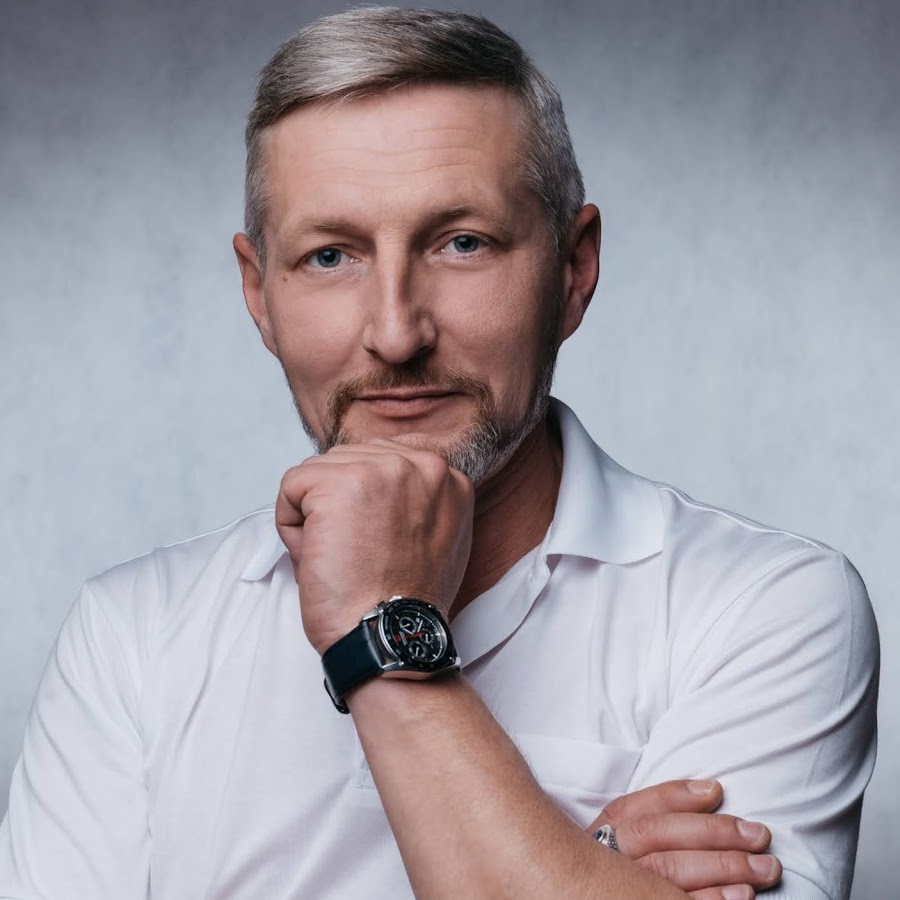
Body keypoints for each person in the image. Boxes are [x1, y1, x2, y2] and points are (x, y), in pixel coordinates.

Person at [0, 7, 878, 900]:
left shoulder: (766, 609)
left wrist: (378, 630)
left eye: (462, 243)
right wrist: (584, 867)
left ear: (573, 269)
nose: (395, 333)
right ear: (259, 294)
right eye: (331, 256)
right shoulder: (133, 636)